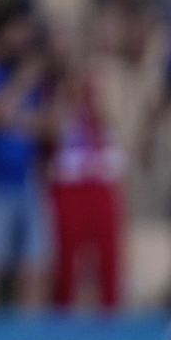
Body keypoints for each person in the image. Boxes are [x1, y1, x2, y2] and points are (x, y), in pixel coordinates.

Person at [48, 34, 125, 311]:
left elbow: (116, 124)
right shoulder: (60, 94)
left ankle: (109, 312)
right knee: (68, 254)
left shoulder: (112, 86)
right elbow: (52, 130)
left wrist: (99, 97)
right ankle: (65, 310)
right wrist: (70, 95)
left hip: (102, 182)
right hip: (71, 184)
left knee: (107, 255)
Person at [0, 9, 57, 310]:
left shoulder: (36, 77)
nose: (25, 38)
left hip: (29, 181)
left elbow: (48, 126)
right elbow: (0, 113)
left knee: (35, 265)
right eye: (19, 30)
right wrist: (21, 83)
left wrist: (16, 120)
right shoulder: (13, 74)